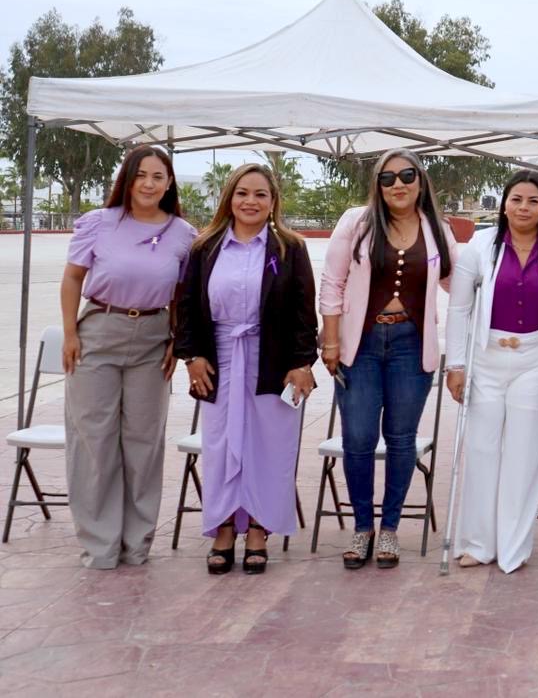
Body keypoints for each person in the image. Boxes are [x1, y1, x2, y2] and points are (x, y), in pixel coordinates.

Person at [175, 164, 317, 575]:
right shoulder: (205, 248)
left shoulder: (290, 248)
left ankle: (258, 528)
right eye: (242, 193)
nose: (250, 201)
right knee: (221, 446)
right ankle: (222, 527)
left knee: (270, 447)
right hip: (218, 359)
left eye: (260, 194)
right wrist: (192, 356)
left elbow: (303, 312)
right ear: (229, 199)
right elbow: (186, 307)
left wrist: (301, 362)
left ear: (273, 202)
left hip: (273, 360)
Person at [59, 145, 197, 569]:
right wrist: (69, 332)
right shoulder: (98, 224)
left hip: (154, 338)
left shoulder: (183, 233)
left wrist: (178, 338)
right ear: (128, 179)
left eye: (158, 176)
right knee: (94, 442)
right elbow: (73, 278)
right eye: (142, 175)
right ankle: (100, 545)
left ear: (169, 183)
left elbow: (181, 294)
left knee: (143, 441)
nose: (149, 184)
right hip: (99, 330)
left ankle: (137, 544)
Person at [319, 149, 458, 569]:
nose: (398, 184)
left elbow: (461, 281)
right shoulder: (355, 222)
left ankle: (391, 529)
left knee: (401, 439)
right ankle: (363, 527)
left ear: (421, 181)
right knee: (358, 438)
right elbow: (332, 282)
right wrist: (329, 342)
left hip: (410, 345)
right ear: (377, 185)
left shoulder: (437, 228)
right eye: (388, 177)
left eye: (407, 175)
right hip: (359, 344)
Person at [444, 170, 538, 573]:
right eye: (517, 199)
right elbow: (458, 309)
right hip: (486, 358)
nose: (524, 208)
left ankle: (512, 547)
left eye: (533, 201)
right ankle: (477, 542)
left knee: (525, 454)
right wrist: (455, 365)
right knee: (482, 449)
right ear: (504, 203)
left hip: (537, 362)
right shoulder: (479, 248)